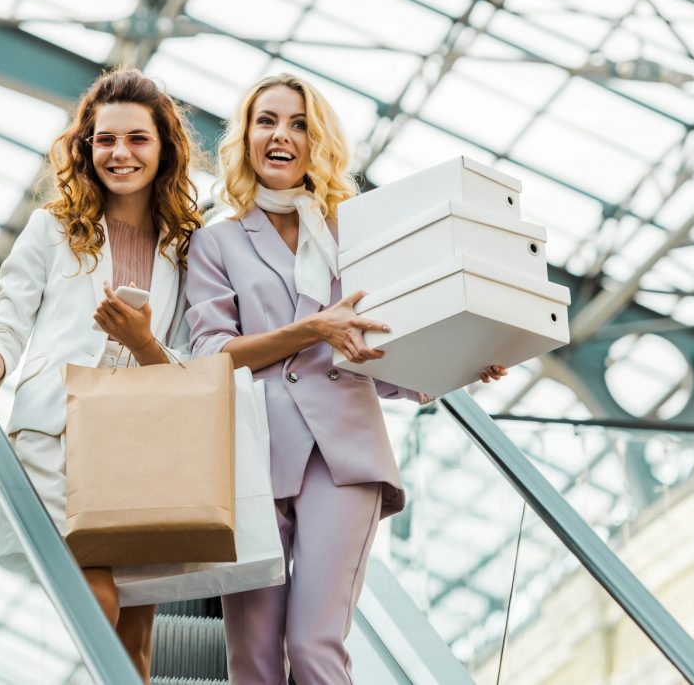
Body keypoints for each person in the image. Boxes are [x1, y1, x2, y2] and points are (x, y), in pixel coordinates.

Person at [185, 73, 506, 683]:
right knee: (252, 660)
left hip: (344, 456)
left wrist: (464, 359)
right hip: (252, 460)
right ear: (246, 138)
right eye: (267, 121)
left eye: (300, 123)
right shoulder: (216, 243)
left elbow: (384, 348)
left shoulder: (352, 237)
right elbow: (211, 355)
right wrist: (314, 329)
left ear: (319, 142)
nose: (282, 135)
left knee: (313, 645)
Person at [0, 67, 203, 683]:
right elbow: (11, 316)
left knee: (137, 632)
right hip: (59, 433)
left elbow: (191, 358)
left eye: (138, 138)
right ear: (86, 147)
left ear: (163, 148)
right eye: (105, 139)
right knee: (97, 598)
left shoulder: (188, 246)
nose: (120, 153)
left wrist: (144, 342)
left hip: (140, 441)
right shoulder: (53, 227)